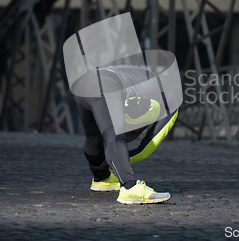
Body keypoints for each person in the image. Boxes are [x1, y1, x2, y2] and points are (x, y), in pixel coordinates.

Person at [74, 65, 179, 205]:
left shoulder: (142, 88)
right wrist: (118, 158)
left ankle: (102, 177)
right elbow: (143, 151)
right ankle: (130, 187)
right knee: (115, 134)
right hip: (107, 83)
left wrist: (112, 161)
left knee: (94, 136)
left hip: (84, 82)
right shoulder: (171, 106)